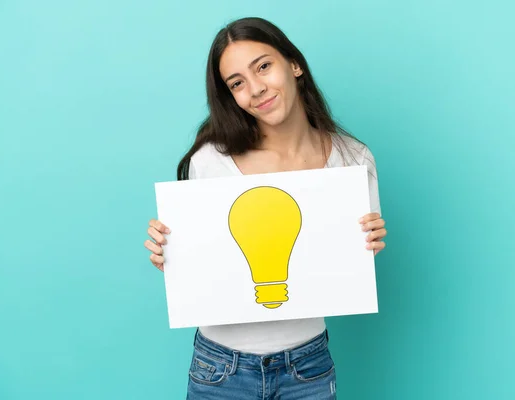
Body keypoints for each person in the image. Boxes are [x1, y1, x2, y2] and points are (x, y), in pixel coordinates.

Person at [144, 16, 387, 399]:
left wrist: (368, 242)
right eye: (237, 83)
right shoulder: (210, 160)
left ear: (294, 64)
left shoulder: (353, 160)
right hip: (220, 368)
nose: (255, 89)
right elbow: (204, 265)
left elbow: (344, 268)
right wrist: (171, 254)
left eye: (263, 66)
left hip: (307, 366)